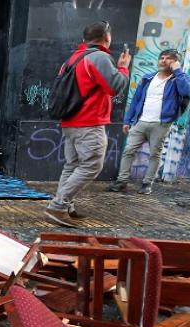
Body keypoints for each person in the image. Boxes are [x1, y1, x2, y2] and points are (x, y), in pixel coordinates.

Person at [44, 21, 131, 228]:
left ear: (84, 38)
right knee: (91, 165)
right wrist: (123, 68)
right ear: (107, 38)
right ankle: (58, 206)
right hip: (88, 122)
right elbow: (115, 87)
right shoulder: (98, 57)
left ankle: (65, 207)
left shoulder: (73, 59)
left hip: (71, 122)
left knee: (72, 166)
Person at [109, 49, 190, 195]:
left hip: (161, 123)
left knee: (155, 154)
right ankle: (121, 181)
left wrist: (177, 71)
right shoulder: (148, 78)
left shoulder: (179, 79)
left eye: (168, 59)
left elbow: (185, 91)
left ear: (176, 62)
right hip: (141, 121)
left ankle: (147, 183)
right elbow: (136, 100)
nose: (163, 60)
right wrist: (127, 120)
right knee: (128, 150)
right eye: (162, 57)